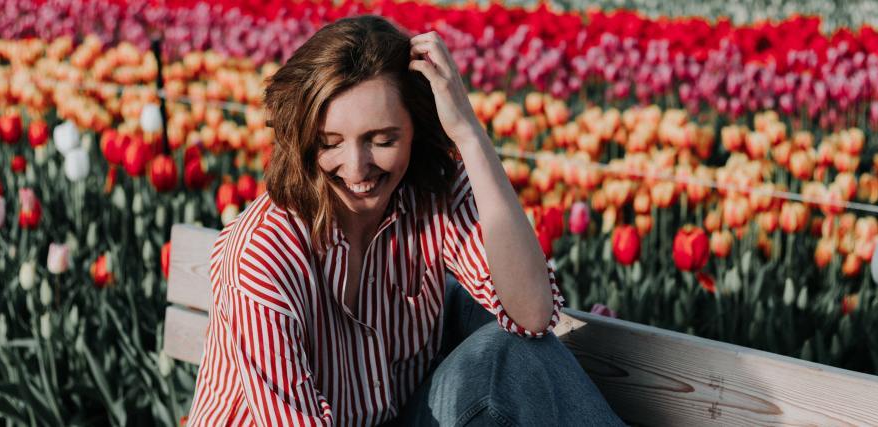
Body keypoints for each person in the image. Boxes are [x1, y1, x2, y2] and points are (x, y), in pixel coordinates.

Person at [188, 14, 624, 427]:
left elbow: (530, 313)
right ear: (302, 139)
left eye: (382, 140)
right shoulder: (263, 255)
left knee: (512, 353)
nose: (356, 168)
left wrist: (468, 132)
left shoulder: (427, 191)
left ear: (416, 127)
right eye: (330, 143)